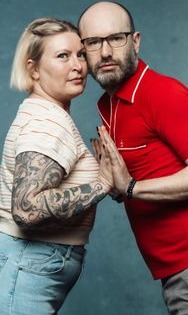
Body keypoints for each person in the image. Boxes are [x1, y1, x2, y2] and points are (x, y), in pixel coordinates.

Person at [78, 1, 188, 314]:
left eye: (116, 38)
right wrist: (114, 184)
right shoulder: (108, 106)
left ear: (135, 41)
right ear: (84, 51)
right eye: (94, 42)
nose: (106, 52)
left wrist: (132, 187)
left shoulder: (161, 93)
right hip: (176, 271)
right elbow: (140, 177)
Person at [0, 17, 114, 315]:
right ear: (33, 68)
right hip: (28, 258)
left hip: (31, 260)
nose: (77, 66)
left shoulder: (47, 114)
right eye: (62, 56)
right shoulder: (47, 123)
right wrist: (103, 183)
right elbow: (27, 209)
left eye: (80, 54)